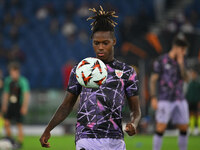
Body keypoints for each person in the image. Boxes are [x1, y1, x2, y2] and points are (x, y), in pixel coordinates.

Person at [40, 6, 141, 150]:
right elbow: (67, 104)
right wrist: (48, 128)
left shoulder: (127, 72)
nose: (100, 47)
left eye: (105, 43)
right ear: (92, 42)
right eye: (96, 43)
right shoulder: (81, 69)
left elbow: (135, 109)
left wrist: (134, 123)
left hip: (115, 139)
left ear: (113, 41)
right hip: (86, 138)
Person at [150, 35, 189, 150]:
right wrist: (153, 97)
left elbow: (186, 79)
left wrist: (181, 64)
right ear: (176, 47)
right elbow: (153, 80)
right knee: (161, 127)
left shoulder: (183, 62)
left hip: (180, 99)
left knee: (184, 127)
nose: (184, 52)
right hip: (164, 99)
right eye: (183, 50)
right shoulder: (162, 60)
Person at [1, 62, 30, 147]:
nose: (12, 74)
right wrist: (4, 105)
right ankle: (11, 139)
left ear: (17, 72)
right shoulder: (8, 81)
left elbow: (26, 94)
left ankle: (20, 143)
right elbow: (6, 93)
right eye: (11, 72)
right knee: (6, 123)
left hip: (19, 105)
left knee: (19, 124)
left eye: (14, 72)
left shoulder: (23, 81)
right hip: (10, 104)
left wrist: (24, 106)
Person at [186, 64, 200, 135]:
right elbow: (188, 93)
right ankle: (191, 129)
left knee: (197, 114)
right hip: (190, 101)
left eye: (194, 74)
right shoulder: (190, 83)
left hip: (197, 101)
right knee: (190, 114)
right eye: (192, 74)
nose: (193, 75)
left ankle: (198, 128)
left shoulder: (198, 83)